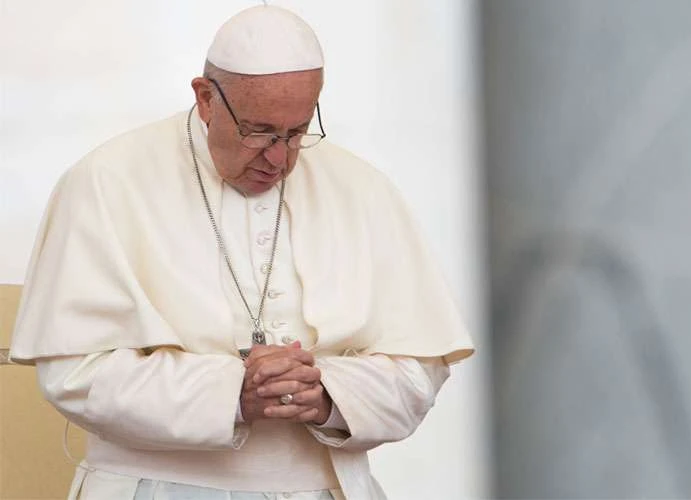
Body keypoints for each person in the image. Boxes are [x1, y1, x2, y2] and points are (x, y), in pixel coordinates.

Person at [8, 5, 473, 500]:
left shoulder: (362, 189)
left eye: (295, 133)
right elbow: (74, 374)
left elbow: (419, 368)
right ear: (206, 99)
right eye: (258, 131)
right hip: (155, 488)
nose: (279, 158)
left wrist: (327, 392)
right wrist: (232, 392)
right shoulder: (106, 182)